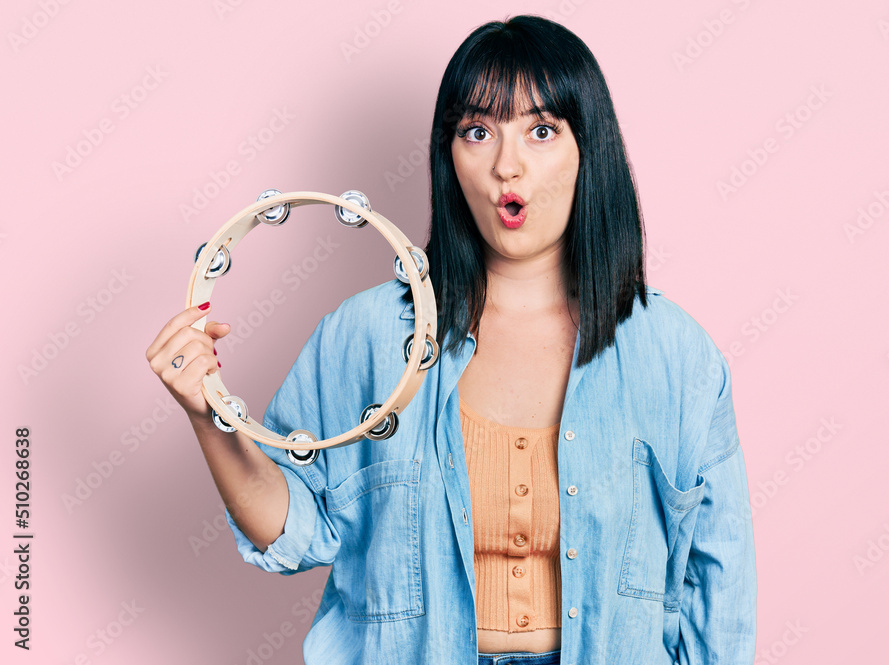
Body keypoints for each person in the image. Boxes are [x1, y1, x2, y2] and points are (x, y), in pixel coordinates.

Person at [146, 14, 757, 665]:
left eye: (542, 130)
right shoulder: (367, 336)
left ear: (589, 150)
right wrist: (208, 415)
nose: (506, 165)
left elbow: (720, 594)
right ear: (449, 155)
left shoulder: (675, 355)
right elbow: (296, 532)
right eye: (477, 131)